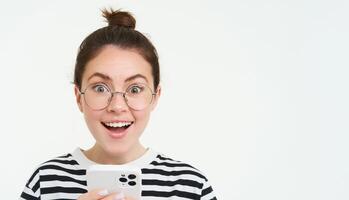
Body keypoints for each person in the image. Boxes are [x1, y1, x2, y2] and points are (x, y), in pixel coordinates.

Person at [19, 8, 217, 200]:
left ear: (155, 97)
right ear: (79, 97)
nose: (117, 106)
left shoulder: (190, 186)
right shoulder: (45, 183)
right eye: (100, 88)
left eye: (135, 89)